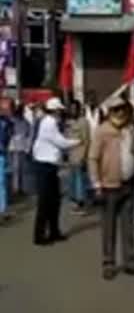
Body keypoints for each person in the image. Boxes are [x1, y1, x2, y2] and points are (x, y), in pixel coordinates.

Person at [89, 97, 134, 280]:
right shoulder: (102, 131)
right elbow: (93, 158)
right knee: (109, 226)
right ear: (110, 111)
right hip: (109, 186)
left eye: (123, 109)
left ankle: (129, 261)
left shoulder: (130, 129)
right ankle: (108, 262)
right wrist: (96, 184)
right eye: (116, 109)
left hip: (129, 183)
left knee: (128, 226)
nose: (120, 112)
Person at [31, 97, 81, 246]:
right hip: (44, 165)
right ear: (54, 110)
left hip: (50, 166)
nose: (61, 112)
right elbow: (61, 143)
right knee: (45, 202)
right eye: (59, 110)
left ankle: (54, 231)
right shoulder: (49, 123)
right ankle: (39, 236)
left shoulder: (52, 122)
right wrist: (79, 141)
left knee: (54, 201)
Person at [66, 100, 90, 214]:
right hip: (71, 156)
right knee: (72, 181)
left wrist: (84, 156)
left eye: (75, 108)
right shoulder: (68, 122)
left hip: (80, 155)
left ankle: (82, 204)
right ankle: (74, 202)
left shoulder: (83, 122)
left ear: (79, 109)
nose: (73, 110)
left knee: (80, 181)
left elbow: (86, 140)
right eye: (71, 108)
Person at [9, 101, 31, 196]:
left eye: (21, 109)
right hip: (14, 148)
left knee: (22, 169)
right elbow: (9, 133)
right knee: (15, 169)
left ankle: (20, 188)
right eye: (18, 108)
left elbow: (28, 134)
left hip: (22, 148)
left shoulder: (25, 121)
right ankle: (15, 189)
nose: (20, 111)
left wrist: (28, 147)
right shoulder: (11, 121)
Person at [0, 99, 13, 218]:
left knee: (2, 183)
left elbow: (8, 136)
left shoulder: (7, 122)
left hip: (1, 154)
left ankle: (3, 210)